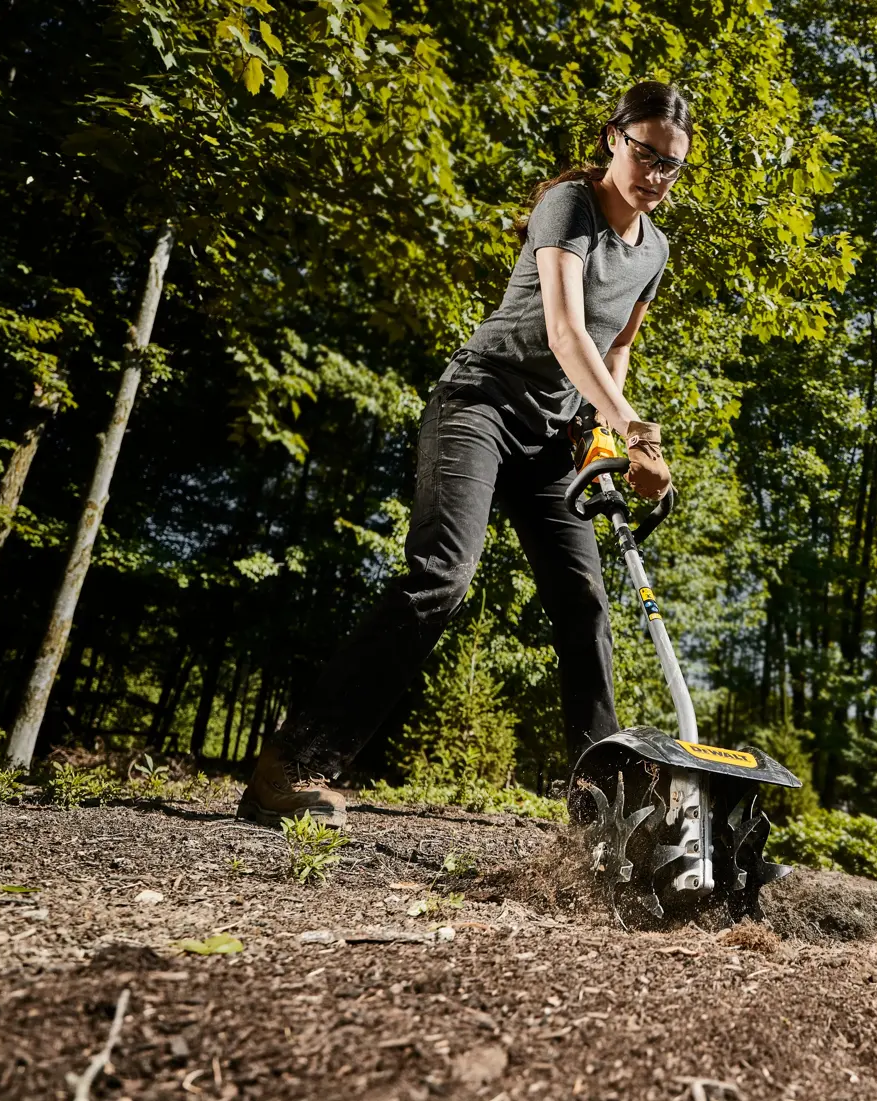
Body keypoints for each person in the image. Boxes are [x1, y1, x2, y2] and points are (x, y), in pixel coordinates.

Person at [235, 81, 692, 829]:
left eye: (671, 165)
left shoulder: (657, 250)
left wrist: (602, 430)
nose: (655, 176)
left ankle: (596, 804)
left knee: (584, 604)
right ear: (614, 139)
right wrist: (638, 429)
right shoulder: (570, 206)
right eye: (644, 154)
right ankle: (292, 765)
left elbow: (617, 346)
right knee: (442, 577)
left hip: (552, 438)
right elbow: (565, 333)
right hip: (479, 403)